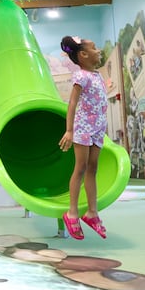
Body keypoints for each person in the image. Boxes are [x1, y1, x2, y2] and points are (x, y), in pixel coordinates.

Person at [58, 36, 108, 240]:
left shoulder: (97, 75)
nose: (99, 50)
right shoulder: (81, 76)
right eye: (95, 47)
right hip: (83, 127)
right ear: (83, 54)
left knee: (93, 168)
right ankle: (71, 213)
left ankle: (92, 213)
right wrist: (69, 130)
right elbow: (72, 104)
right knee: (80, 168)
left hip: (97, 128)